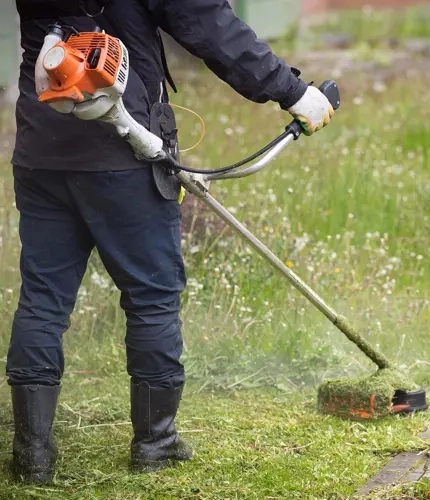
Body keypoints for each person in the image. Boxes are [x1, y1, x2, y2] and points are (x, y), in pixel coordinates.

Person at [8, 0, 334, 485]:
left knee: (41, 301)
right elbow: (205, 22)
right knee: (152, 298)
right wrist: (292, 92)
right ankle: (155, 443)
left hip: (42, 147)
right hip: (123, 147)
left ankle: (32, 455)